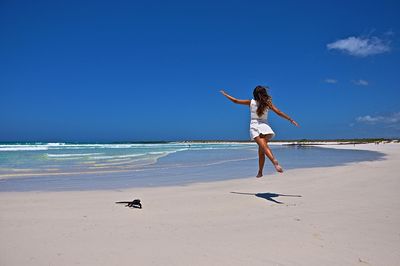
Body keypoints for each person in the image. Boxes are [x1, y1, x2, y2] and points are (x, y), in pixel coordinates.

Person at [220, 85, 299, 177]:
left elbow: (235, 101)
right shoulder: (267, 103)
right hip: (265, 127)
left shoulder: (251, 102)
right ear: (264, 94)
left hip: (255, 126)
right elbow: (279, 112)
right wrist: (290, 119)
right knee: (261, 151)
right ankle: (260, 171)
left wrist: (225, 94)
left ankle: (274, 161)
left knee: (264, 147)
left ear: (254, 94)